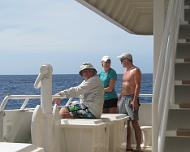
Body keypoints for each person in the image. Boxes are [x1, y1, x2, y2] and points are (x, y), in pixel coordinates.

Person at [117, 53, 142, 152]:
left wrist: (134, 100)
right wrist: (119, 98)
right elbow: (124, 85)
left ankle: (138, 147)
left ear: (127, 59)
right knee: (125, 122)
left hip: (131, 99)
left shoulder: (136, 70)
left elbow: (137, 85)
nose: (121, 62)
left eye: (121, 60)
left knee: (134, 122)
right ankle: (128, 146)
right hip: (123, 99)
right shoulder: (126, 70)